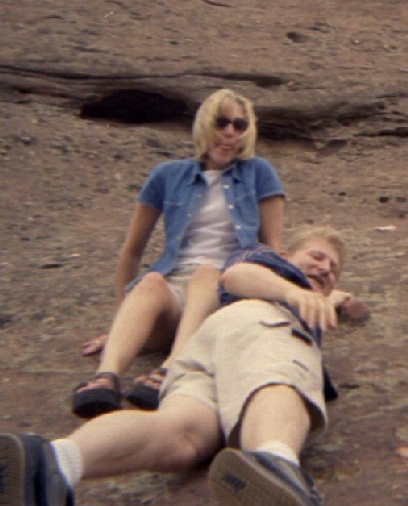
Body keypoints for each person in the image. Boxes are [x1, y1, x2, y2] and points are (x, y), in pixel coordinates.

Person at [0, 226, 353, 506]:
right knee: (276, 380)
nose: (325, 268)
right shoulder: (270, 266)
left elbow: (342, 302)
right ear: (286, 254)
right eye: (317, 256)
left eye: (333, 268)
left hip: (207, 349)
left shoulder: (313, 294)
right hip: (261, 327)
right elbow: (236, 275)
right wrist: (296, 292)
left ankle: (51, 465)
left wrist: (334, 296)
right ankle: (277, 466)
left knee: (180, 435)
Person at [72, 88, 285, 418]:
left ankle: (171, 368)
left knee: (206, 273)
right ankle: (106, 377)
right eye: (221, 122)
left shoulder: (259, 172)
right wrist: (121, 324)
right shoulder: (167, 175)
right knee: (151, 281)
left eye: (239, 125)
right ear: (204, 125)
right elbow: (132, 252)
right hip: (174, 295)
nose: (230, 132)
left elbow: (272, 250)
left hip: (227, 295)